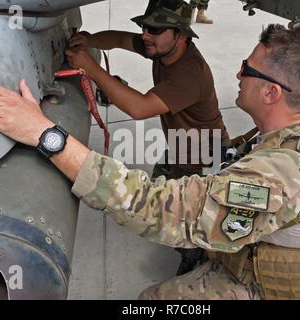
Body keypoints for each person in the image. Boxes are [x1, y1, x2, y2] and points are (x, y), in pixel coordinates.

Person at [0, 24, 300, 300]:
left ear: (271, 93)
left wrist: (46, 135)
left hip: (278, 288)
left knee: (151, 301)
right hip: (278, 248)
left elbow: (153, 208)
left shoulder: (277, 179)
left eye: (247, 69)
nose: (237, 73)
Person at [67, 0, 229, 275]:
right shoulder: (161, 46)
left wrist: (92, 69)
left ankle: (197, 261)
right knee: (163, 185)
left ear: (180, 35)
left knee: (188, 218)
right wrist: (91, 39)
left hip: (205, 157)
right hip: (182, 146)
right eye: (145, 26)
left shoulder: (190, 73)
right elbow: (120, 39)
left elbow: (139, 108)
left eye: (154, 29)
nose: (145, 34)